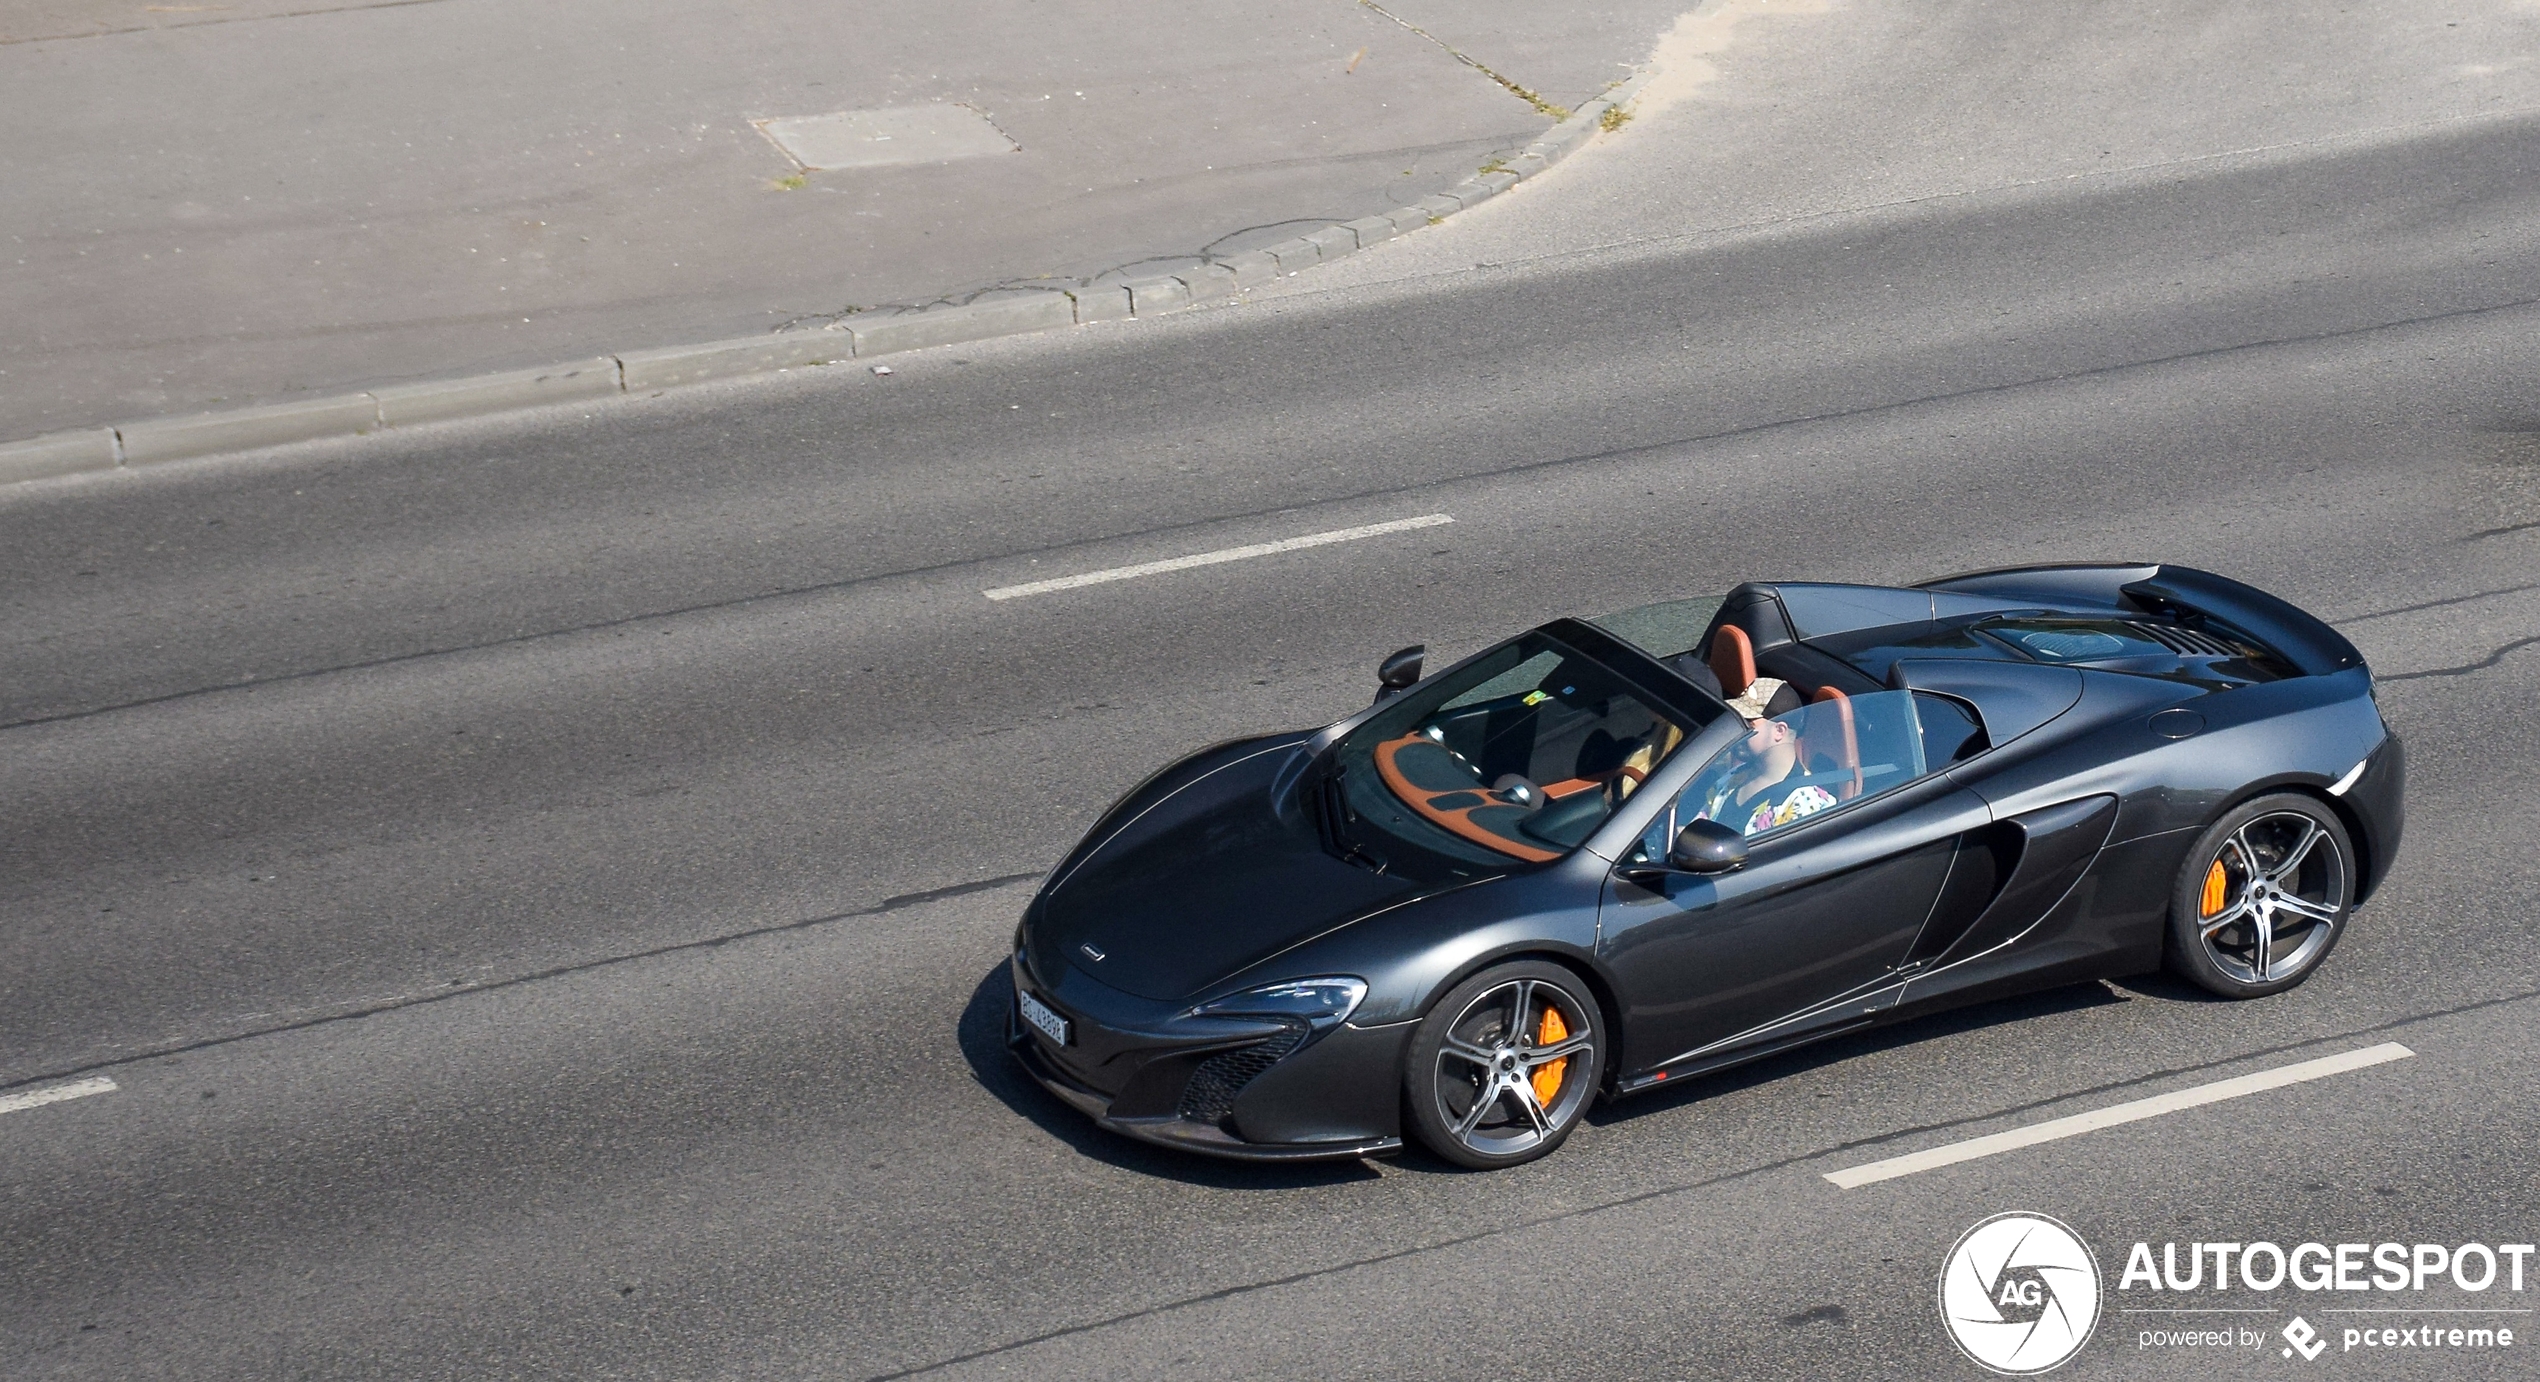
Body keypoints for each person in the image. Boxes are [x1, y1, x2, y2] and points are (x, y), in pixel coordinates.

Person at [1689, 701, 1839, 836]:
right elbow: (1695, 830)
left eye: (1748, 724)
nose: (1737, 731)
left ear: (1779, 731)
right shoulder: (1735, 777)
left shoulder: (1807, 803)